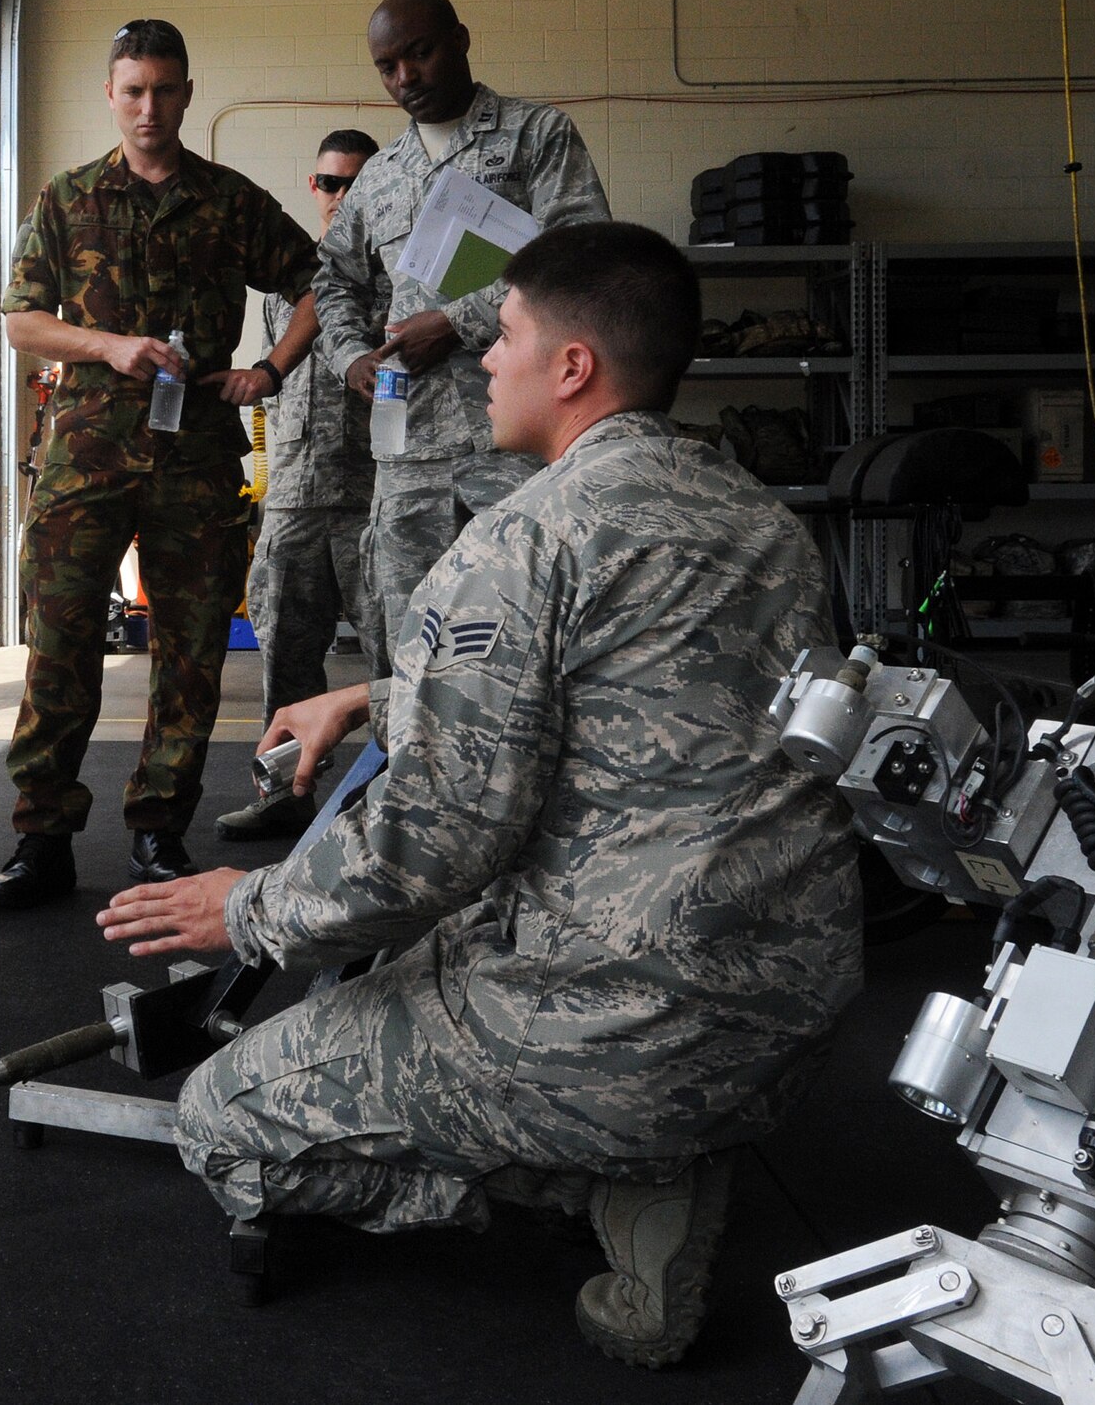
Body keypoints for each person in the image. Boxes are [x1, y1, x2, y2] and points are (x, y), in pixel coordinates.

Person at [99, 222, 863, 1367]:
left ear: (572, 366)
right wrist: (374, 697)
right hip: (783, 1008)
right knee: (444, 943)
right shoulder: (763, 524)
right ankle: (652, 1136)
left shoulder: (522, 539)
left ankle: (600, 1175)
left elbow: (430, 841)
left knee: (222, 1120)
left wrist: (244, 909)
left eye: (502, 335)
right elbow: (640, 695)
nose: (484, 360)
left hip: (619, 1015)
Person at [0, 18, 323, 910]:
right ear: (110, 94)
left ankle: (158, 829)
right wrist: (109, 345)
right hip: (85, 457)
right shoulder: (67, 198)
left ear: (187, 94)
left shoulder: (229, 201)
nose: (149, 108)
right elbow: (21, 321)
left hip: (194, 457)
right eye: (133, 90)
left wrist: (270, 369)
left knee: (191, 652)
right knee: (60, 645)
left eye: (165, 90)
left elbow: (318, 282)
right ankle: (41, 837)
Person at [316, 0, 611, 676]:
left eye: (419, 53)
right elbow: (331, 279)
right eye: (387, 67)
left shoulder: (535, 136)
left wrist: (455, 323)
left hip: (514, 444)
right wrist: (351, 357)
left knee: (531, 634)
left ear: (461, 39)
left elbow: (581, 251)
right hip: (408, 455)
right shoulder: (381, 175)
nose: (405, 77)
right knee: (409, 647)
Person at [216, 128, 382, 843]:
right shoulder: (287, 289)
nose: (339, 196)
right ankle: (284, 795)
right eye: (328, 182)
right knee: (284, 656)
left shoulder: (401, 276)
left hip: (375, 498)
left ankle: (397, 803)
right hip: (293, 499)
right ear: (313, 187)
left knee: (396, 660)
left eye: (355, 182)